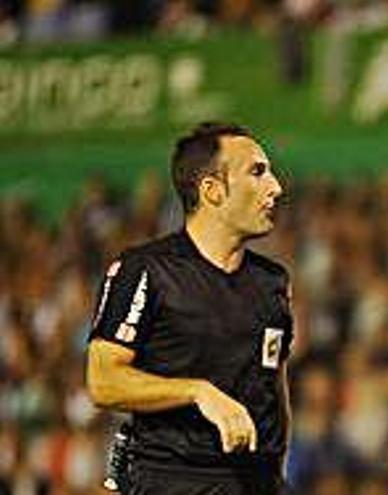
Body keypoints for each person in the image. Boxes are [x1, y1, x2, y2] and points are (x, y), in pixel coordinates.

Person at [86, 122, 293, 494]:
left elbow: (276, 389)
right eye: (257, 172)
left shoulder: (272, 282)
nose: (275, 187)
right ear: (212, 191)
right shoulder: (145, 271)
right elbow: (103, 380)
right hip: (171, 481)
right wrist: (198, 392)